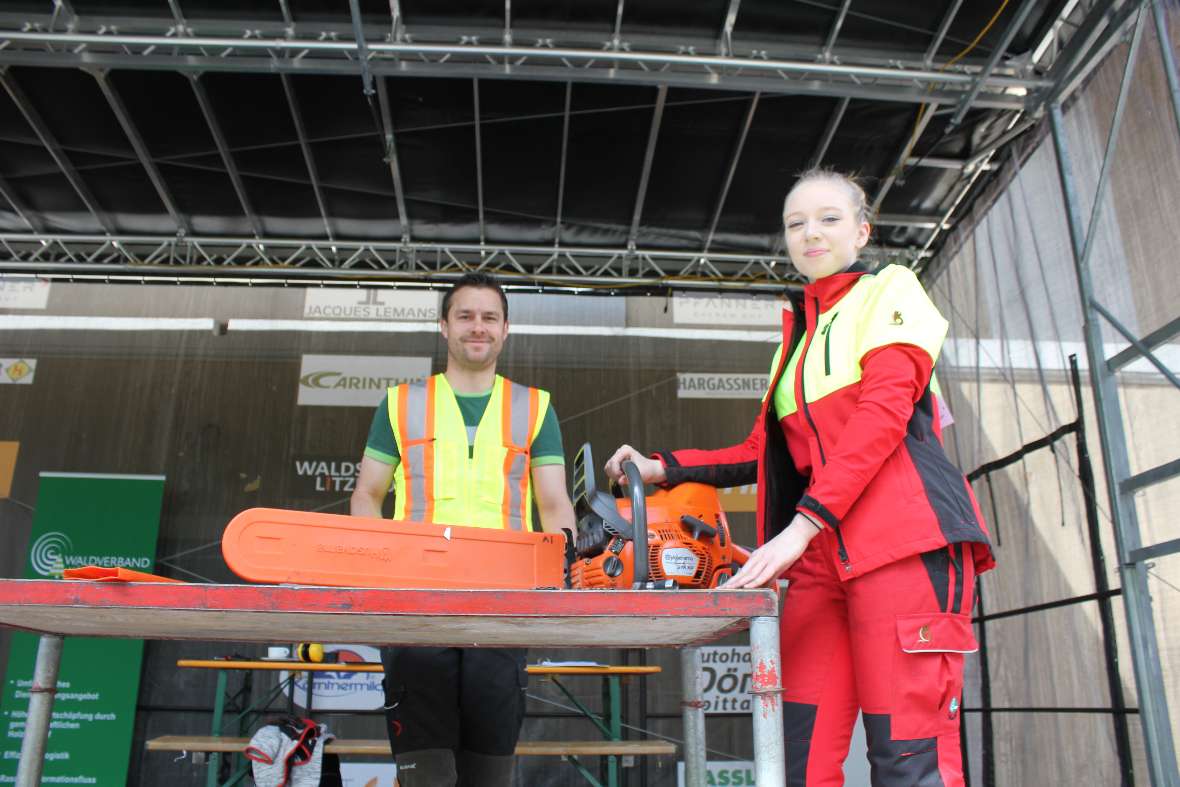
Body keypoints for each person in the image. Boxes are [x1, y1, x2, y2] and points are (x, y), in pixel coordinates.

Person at [605, 169, 994, 786]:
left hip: (903, 548)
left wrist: (800, 529)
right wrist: (662, 467)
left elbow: (882, 418)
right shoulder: (798, 334)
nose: (811, 232)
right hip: (817, 562)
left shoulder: (892, 289)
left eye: (829, 218)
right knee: (796, 759)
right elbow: (762, 451)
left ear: (862, 231)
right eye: (796, 223)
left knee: (907, 760)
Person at [351, 272, 576, 787]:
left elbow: (553, 501)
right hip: (414, 604)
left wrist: (563, 580)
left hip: (503, 606)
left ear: (506, 330)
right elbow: (367, 495)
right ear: (443, 326)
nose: (478, 327)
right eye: (466, 316)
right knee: (425, 772)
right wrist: (375, 571)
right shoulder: (399, 402)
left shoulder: (535, 406)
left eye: (489, 317)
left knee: (488, 772)